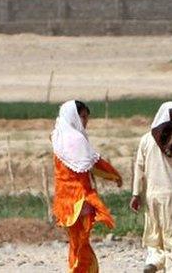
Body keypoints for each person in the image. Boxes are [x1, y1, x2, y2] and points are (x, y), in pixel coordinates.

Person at [51, 100, 123, 273]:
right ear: (74, 117)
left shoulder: (58, 136)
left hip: (64, 202)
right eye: (82, 117)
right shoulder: (75, 139)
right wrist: (115, 176)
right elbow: (95, 164)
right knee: (81, 243)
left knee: (77, 243)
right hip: (79, 201)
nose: (85, 121)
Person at [130, 101, 172, 273]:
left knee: (156, 232)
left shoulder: (146, 139)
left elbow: (139, 168)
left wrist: (136, 194)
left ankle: (154, 260)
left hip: (152, 194)